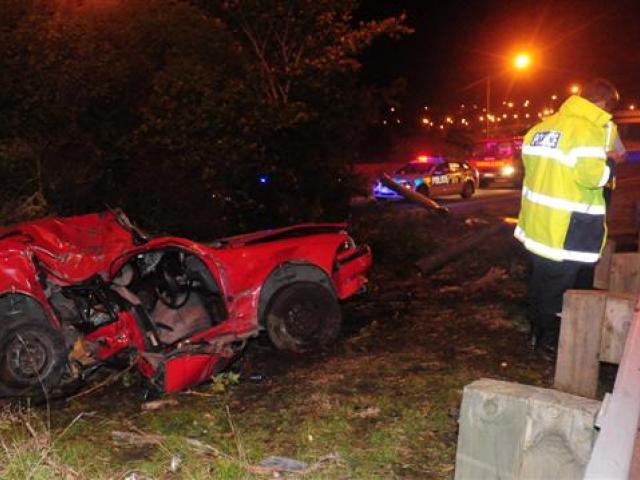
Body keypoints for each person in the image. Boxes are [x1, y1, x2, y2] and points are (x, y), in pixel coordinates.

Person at [515, 78, 620, 354]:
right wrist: (608, 165)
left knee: (540, 280)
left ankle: (536, 333)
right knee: (558, 286)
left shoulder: (542, 127)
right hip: (566, 226)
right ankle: (547, 341)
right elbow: (591, 177)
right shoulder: (585, 130)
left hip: (538, 223)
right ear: (602, 103)